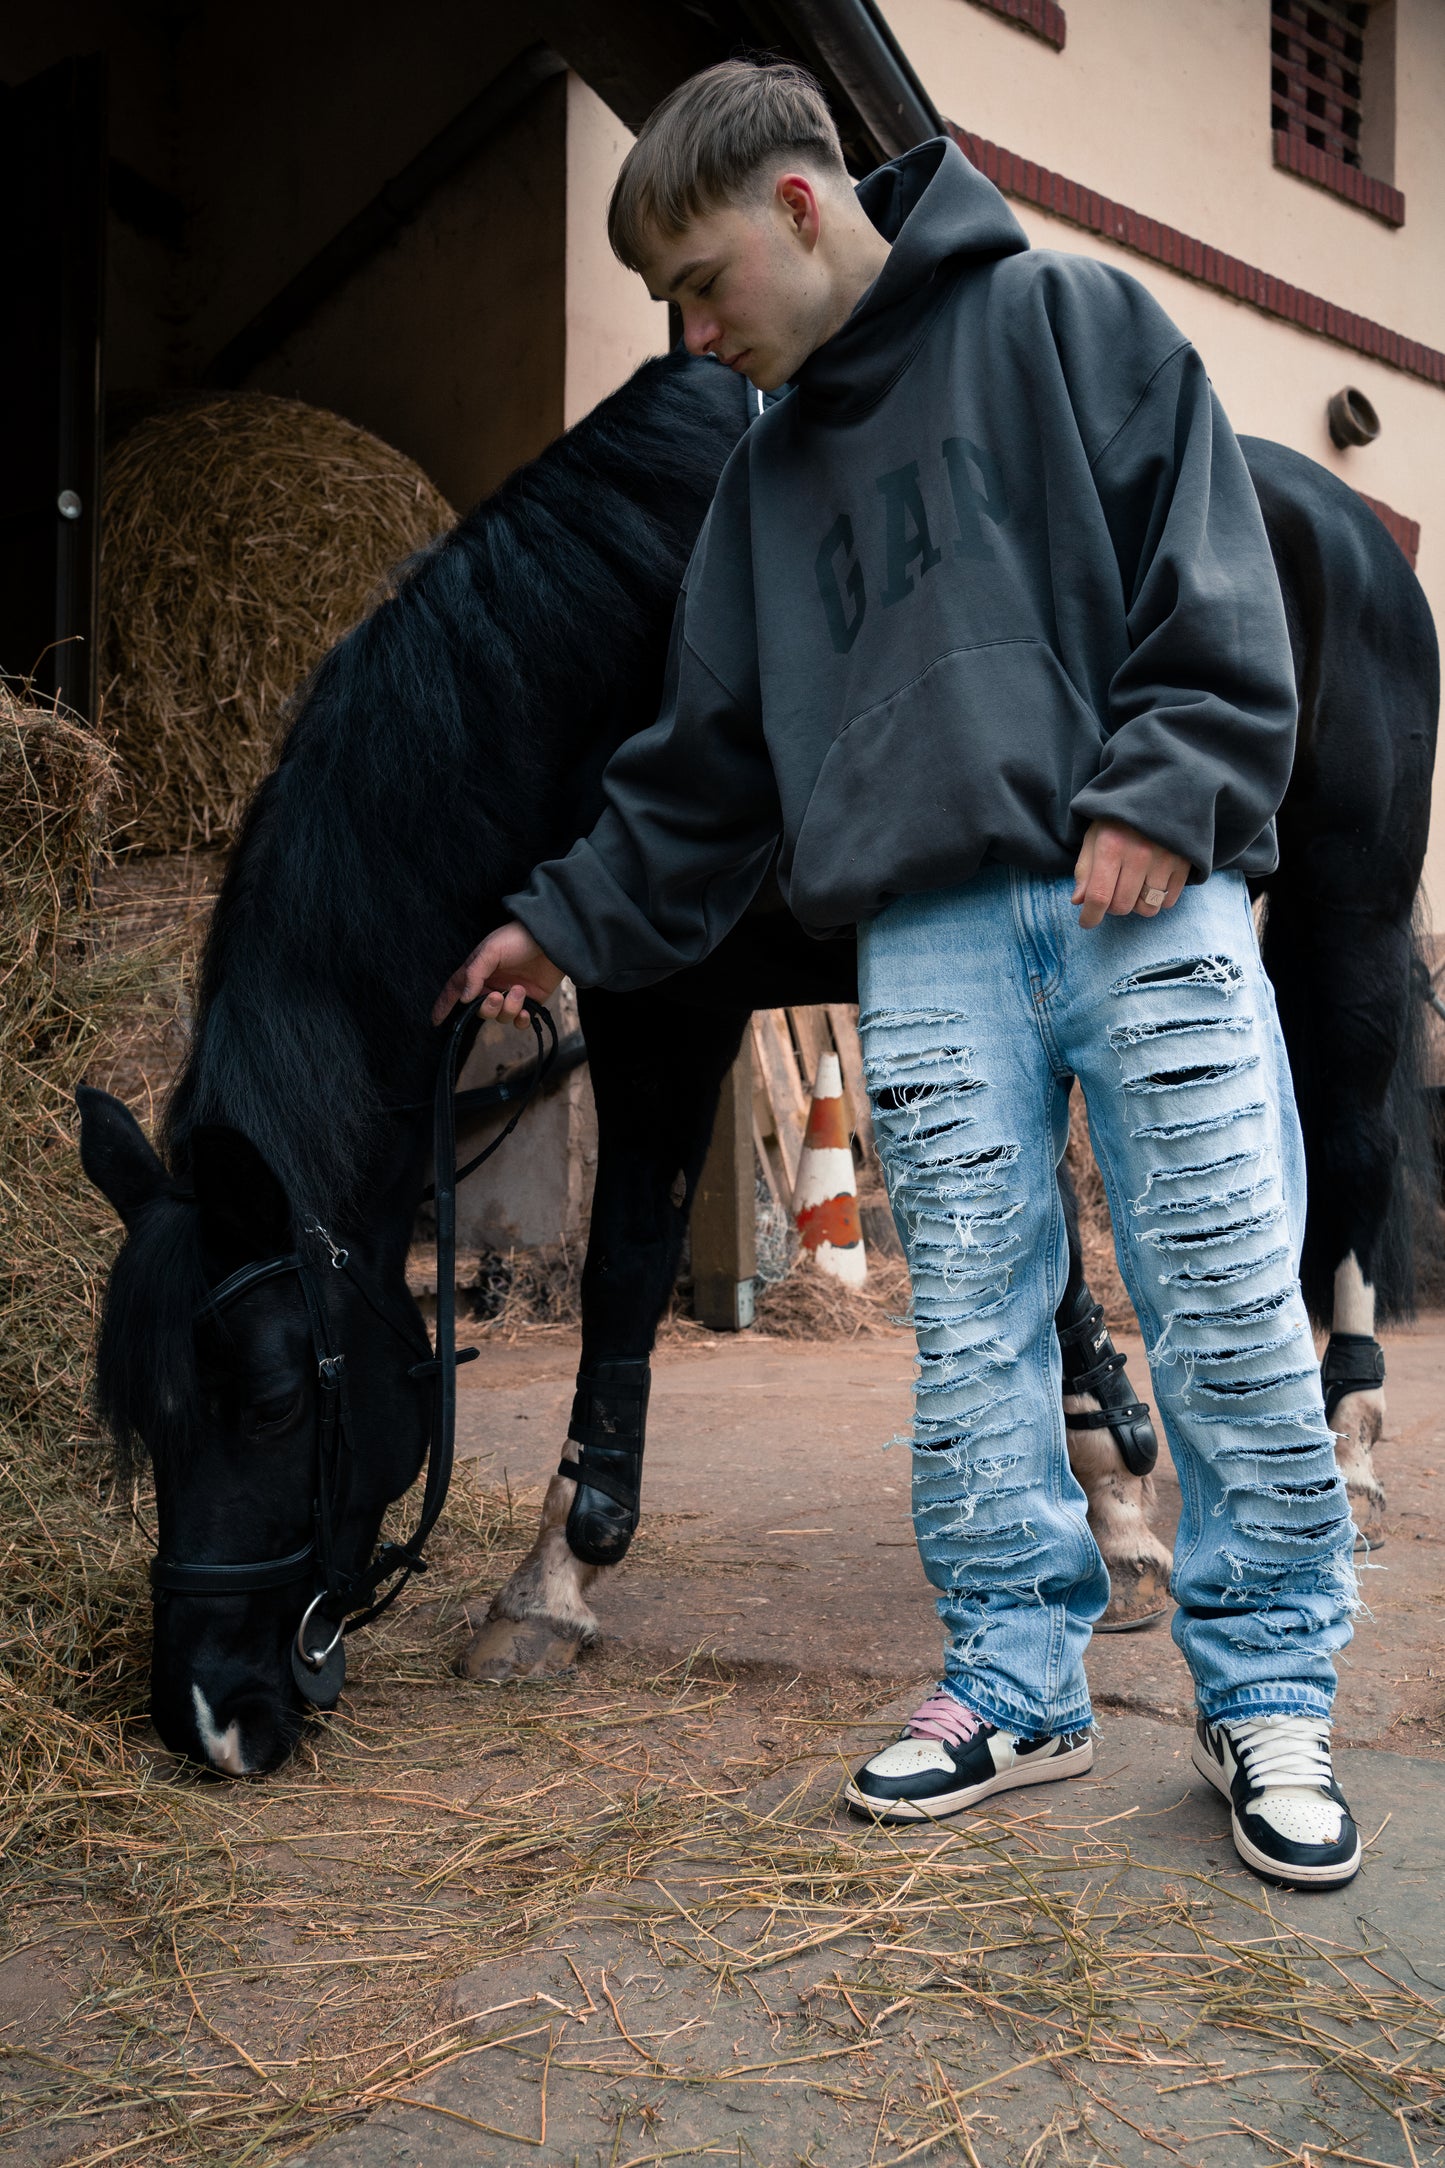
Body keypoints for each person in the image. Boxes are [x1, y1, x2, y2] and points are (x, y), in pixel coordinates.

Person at [434, 60, 1361, 1889]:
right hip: (925, 939)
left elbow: (1208, 569)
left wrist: (1167, 787)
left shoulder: (1070, 320)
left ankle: (1264, 1692)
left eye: (700, 285)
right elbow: (701, 769)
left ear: (795, 209)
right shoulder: (764, 491)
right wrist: (563, 915)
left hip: (1140, 900)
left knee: (1231, 1311)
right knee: (968, 1357)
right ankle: (1015, 1684)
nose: (693, 339)